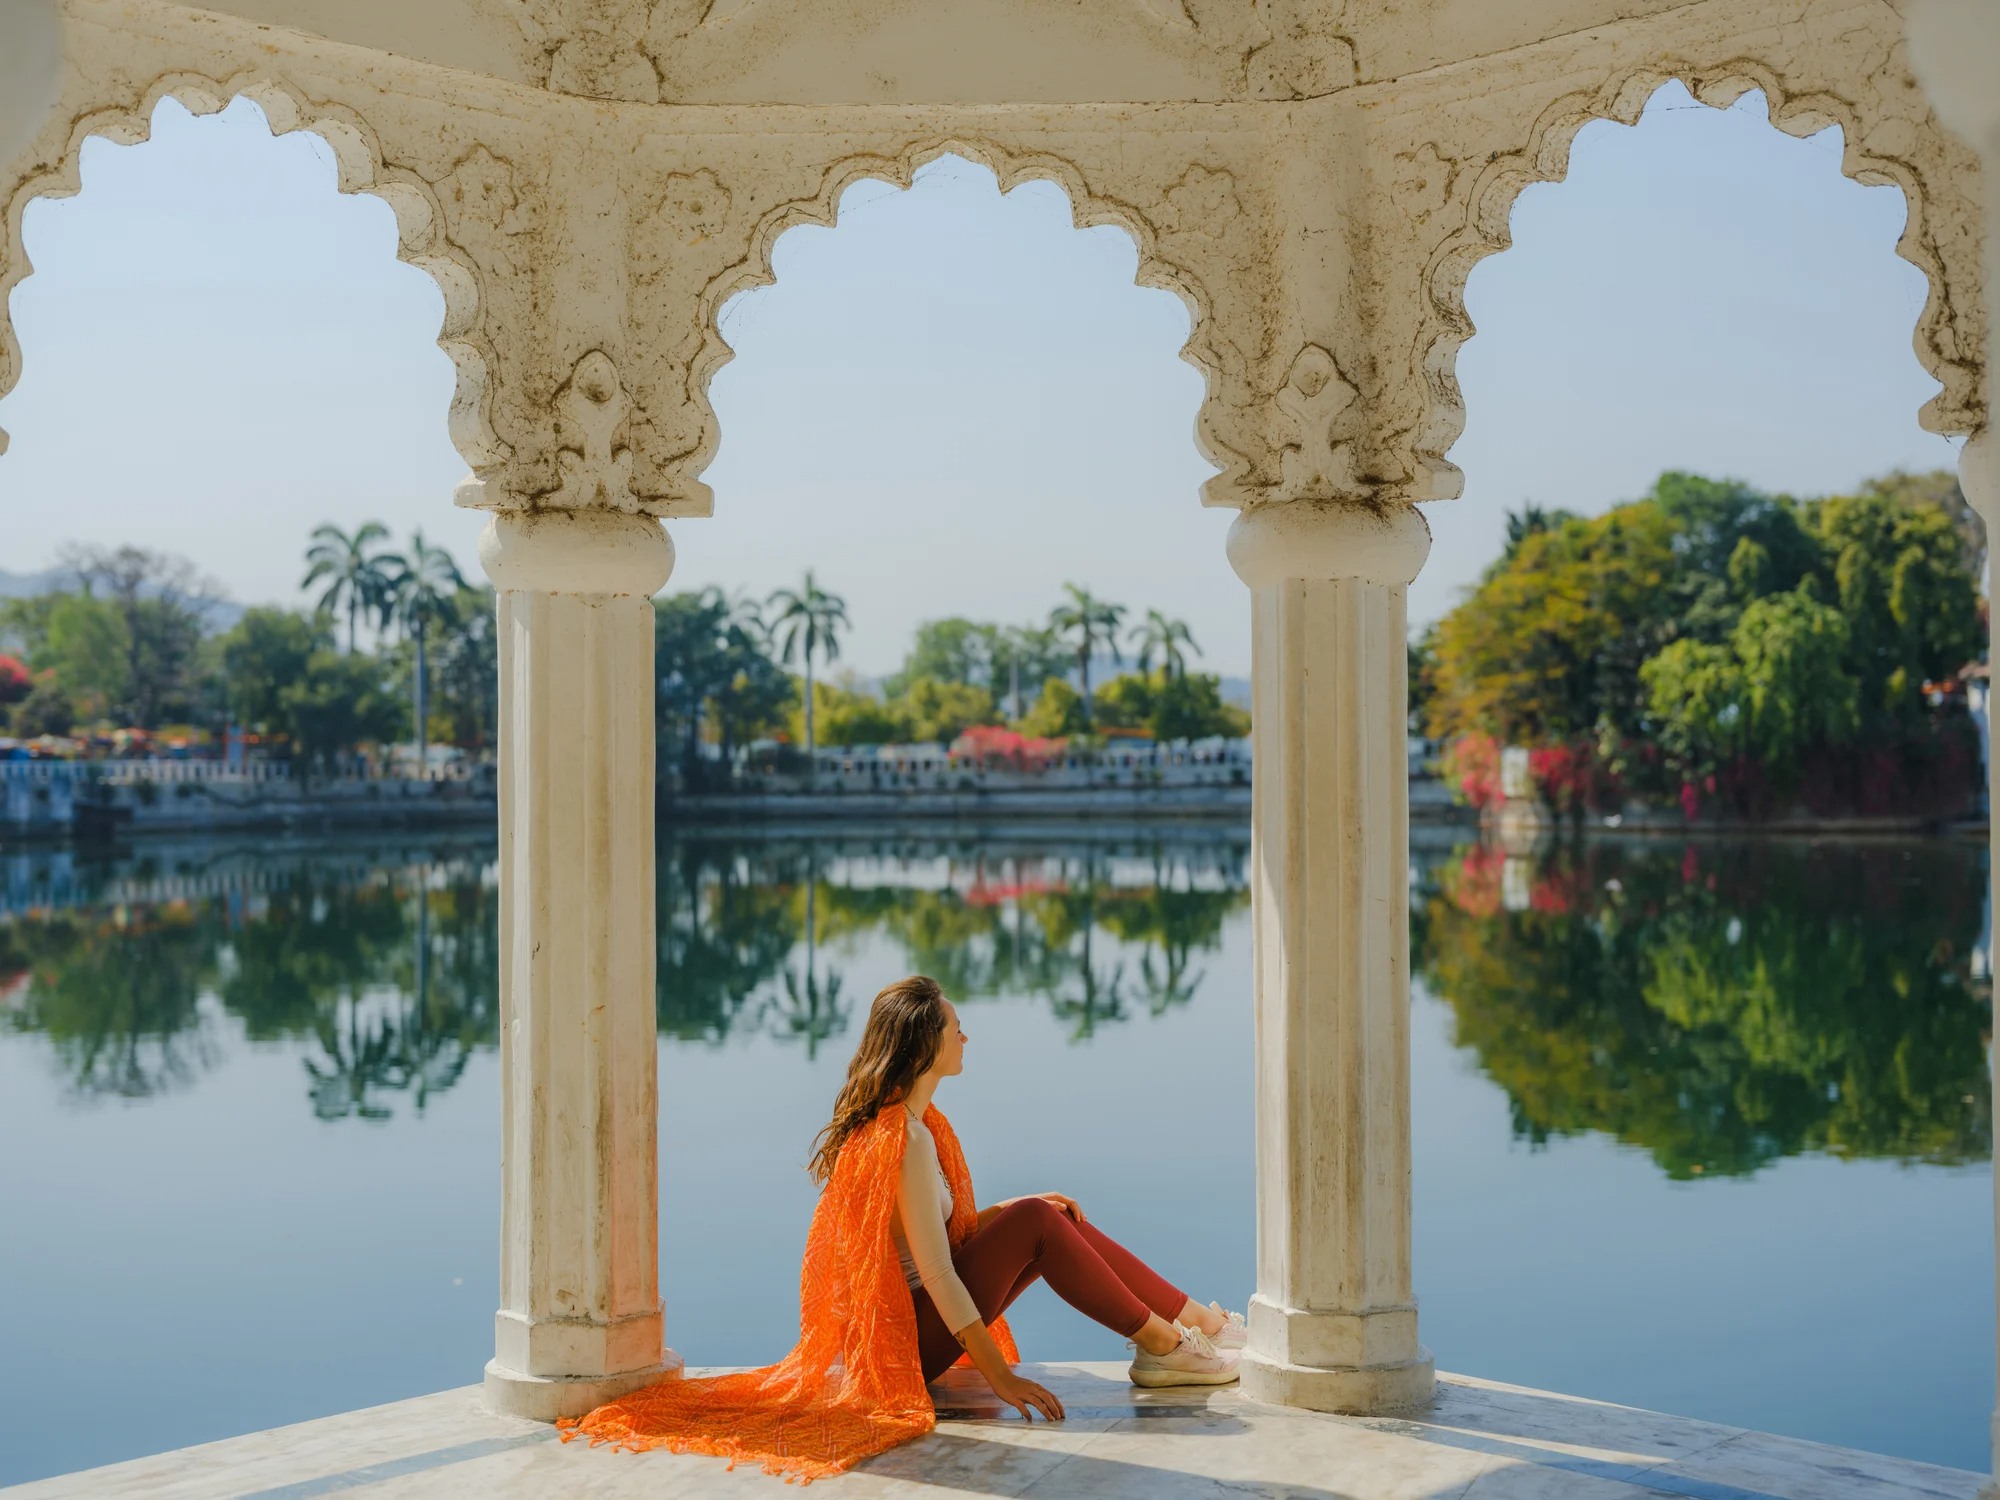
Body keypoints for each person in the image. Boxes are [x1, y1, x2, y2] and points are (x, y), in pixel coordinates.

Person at [561, 974, 1243, 1481]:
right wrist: (1000, 1376)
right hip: (907, 1346)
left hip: (918, 1322)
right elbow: (941, 1271)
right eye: (954, 1028)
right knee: (1038, 1219)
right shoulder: (903, 1139)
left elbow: (946, 1234)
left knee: (1047, 1213)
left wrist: (1018, 1208)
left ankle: (1198, 1327)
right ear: (925, 1045)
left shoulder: (918, 1128)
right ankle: (1165, 1347)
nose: (966, 1037)